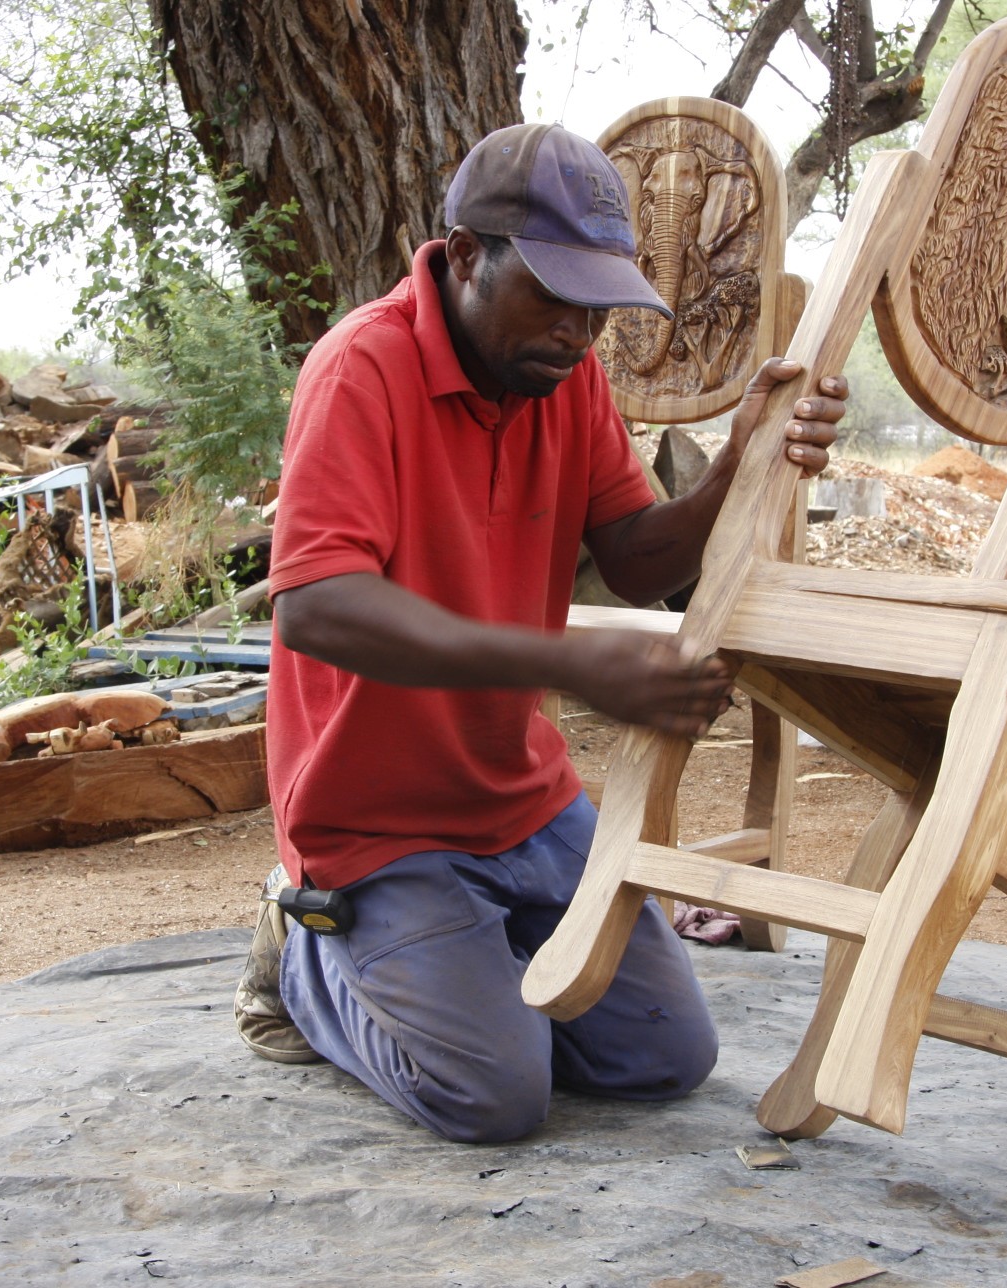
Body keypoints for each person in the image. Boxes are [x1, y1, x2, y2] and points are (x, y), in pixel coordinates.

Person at [238, 122, 847, 1144]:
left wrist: (739, 457)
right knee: (492, 1097)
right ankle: (303, 955)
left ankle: (465, 968)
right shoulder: (361, 370)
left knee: (665, 1061)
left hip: (520, 801)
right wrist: (568, 662)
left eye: (596, 307)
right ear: (468, 255)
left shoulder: (563, 381)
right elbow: (318, 605)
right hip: (377, 824)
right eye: (553, 297)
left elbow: (639, 557)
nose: (577, 331)